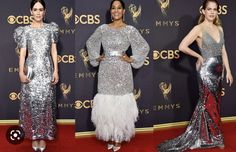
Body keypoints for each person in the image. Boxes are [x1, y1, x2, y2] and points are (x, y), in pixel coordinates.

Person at [158, 0, 233, 151]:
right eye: (209, 9)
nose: (212, 12)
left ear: (217, 11)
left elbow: (223, 50)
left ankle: (211, 136)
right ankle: (215, 137)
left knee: (215, 105)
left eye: (214, 9)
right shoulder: (198, 28)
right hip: (206, 72)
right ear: (203, 11)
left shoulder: (220, 28)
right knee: (207, 104)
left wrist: (229, 70)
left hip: (218, 71)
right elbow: (182, 46)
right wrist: (198, 56)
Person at [86, 0, 149, 151]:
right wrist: (96, 56)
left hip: (123, 71)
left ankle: (118, 138)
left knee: (121, 106)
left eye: (119, 8)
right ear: (110, 11)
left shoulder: (130, 30)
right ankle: (110, 136)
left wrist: (131, 59)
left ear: (124, 11)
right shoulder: (102, 29)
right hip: (106, 69)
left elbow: (144, 46)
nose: (116, 11)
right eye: (113, 8)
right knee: (107, 105)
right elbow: (90, 42)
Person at [13, 0, 59, 151]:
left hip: (46, 69)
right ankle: (34, 135)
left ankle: (43, 136)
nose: (38, 12)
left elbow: (53, 51)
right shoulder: (24, 31)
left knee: (46, 103)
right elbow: (23, 53)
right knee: (32, 103)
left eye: (41, 9)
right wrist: (20, 71)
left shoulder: (51, 29)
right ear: (30, 11)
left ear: (44, 11)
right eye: (35, 9)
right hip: (31, 70)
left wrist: (55, 70)